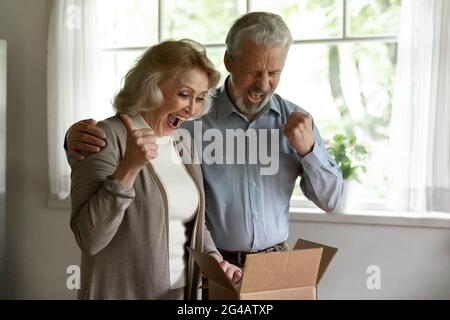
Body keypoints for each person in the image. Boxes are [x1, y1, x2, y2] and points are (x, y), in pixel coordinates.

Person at [66, 12, 343, 269]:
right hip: (208, 264)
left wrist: (309, 151)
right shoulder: (190, 117)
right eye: (253, 72)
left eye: (274, 73)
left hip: (274, 263)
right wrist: (72, 140)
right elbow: (136, 129)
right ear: (229, 61)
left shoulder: (297, 123)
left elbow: (332, 201)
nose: (263, 84)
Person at [67, 39, 241, 300]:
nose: (192, 108)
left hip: (180, 294)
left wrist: (214, 258)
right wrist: (129, 168)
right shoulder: (104, 137)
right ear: (152, 87)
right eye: (184, 94)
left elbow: (192, 222)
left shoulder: (183, 144)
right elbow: (90, 238)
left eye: (200, 98)